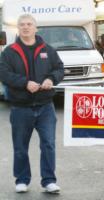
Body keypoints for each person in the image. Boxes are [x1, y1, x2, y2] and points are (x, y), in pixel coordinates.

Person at [0, 14, 64, 193]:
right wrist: (24, 83)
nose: (26, 27)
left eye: (29, 24)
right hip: (21, 108)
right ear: (18, 28)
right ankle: (22, 180)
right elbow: (3, 74)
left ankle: (49, 181)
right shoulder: (9, 52)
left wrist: (52, 79)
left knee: (49, 144)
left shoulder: (48, 50)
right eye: (22, 25)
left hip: (45, 107)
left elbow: (59, 69)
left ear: (36, 28)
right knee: (20, 147)